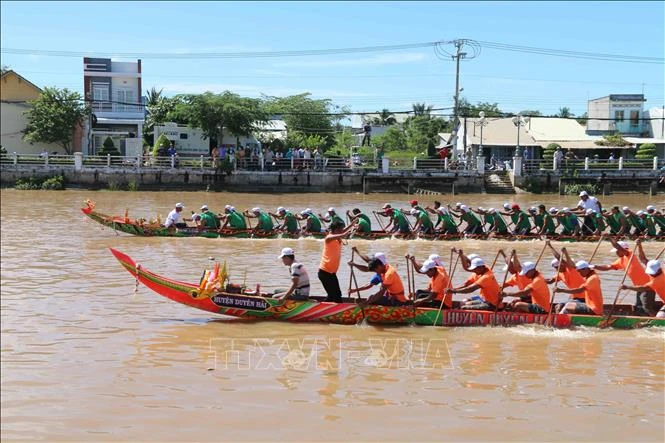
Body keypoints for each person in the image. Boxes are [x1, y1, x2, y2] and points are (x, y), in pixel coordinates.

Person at [593, 239, 655, 316]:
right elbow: (607, 267)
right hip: (638, 287)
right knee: (638, 307)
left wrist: (609, 238)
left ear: (624, 250)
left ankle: (658, 320)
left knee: (647, 308)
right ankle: (644, 319)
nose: (616, 253)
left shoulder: (629, 254)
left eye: (617, 251)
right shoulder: (620, 260)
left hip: (647, 286)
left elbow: (618, 248)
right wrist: (593, 266)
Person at [318, 220, 358, 303]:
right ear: (335, 229)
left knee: (336, 295)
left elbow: (342, 232)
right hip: (324, 272)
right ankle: (324, 311)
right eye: (340, 229)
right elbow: (343, 234)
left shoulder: (337, 236)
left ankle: (326, 310)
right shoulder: (329, 238)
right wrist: (348, 231)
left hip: (332, 273)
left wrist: (351, 225)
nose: (342, 230)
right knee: (334, 296)